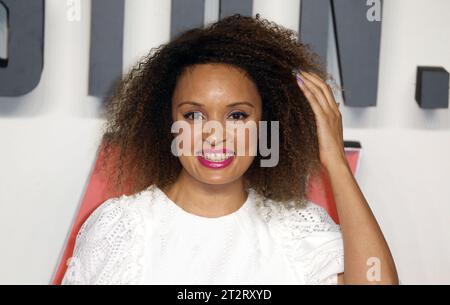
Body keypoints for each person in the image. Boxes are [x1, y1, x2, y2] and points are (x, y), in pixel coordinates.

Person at [62, 14, 398, 285]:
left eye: (237, 115)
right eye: (193, 115)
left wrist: (335, 161)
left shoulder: (298, 230)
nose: (215, 135)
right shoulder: (121, 227)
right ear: (168, 122)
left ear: (267, 123)